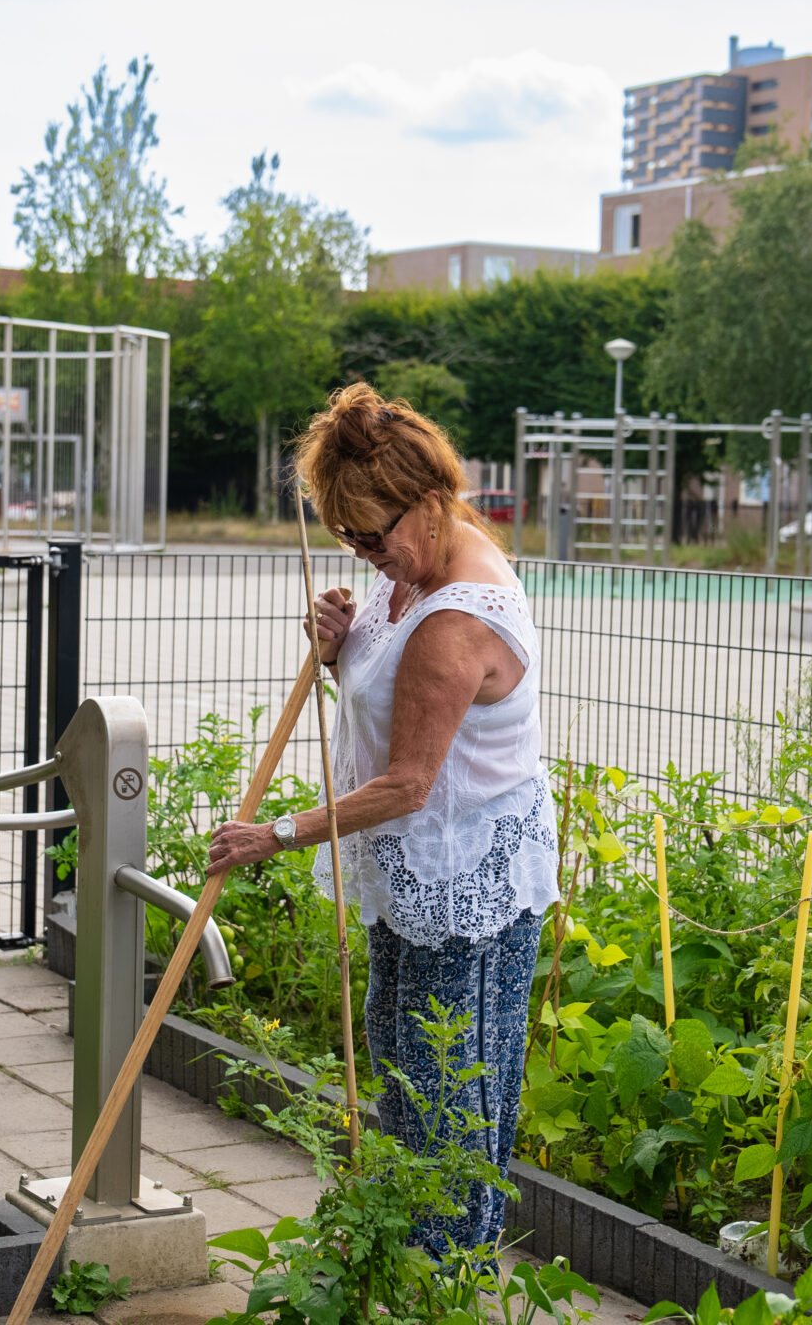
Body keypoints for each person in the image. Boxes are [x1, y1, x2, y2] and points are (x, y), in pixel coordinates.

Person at [207, 384, 556, 1254]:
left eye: (373, 536)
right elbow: (382, 698)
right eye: (348, 539)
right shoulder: (411, 565)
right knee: (403, 1068)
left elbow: (408, 782)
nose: (366, 556)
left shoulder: (455, 618)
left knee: (450, 1101)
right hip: (413, 867)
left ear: (429, 502)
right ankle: (405, 1267)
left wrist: (275, 835)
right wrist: (336, 649)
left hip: (465, 878)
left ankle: (447, 1275)